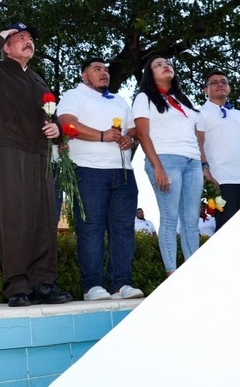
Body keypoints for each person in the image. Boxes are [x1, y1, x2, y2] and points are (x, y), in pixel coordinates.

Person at [0, 23, 72, 307]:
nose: (28, 41)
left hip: (41, 154)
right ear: (6, 47)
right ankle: (17, 286)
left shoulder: (38, 79)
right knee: (14, 217)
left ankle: (44, 283)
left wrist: (57, 129)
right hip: (9, 149)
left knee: (44, 218)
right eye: (20, 38)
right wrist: (0, 35)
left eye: (30, 39)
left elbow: (52, 116)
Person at [58, 58, 143, 301]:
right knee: (91, 228)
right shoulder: (74, 95)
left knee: (123, 229)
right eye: (97, 69)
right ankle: (92, 286)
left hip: (123, 170)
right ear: (84, 76)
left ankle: (120, 284)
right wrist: (103, 135)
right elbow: (67, 123)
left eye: (105, 69)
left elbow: (133, 128)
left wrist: (130, 138)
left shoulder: (119, 100)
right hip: (88, 169)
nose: (104, 73)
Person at [133, 56, 206, 275]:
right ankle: (171, 272)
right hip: (165, 160)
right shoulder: (144, 98)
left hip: (192, 163)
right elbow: (142, 134)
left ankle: (194, 272)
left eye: (168, 63)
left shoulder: (183, 100)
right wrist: (157, 166)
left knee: (191, 220)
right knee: (169, 217)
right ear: (150, 74)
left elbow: (196, 136)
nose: (166, 66)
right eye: (158, 65)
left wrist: (203, 165)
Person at [197, 71, 240, 230]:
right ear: (205, 90)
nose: (220, 84)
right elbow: (198, 142)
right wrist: (205, 171)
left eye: (224, 82)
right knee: (227, 228)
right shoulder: (199, 113)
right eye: (214, 82)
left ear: (229, 88)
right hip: (221, 179)